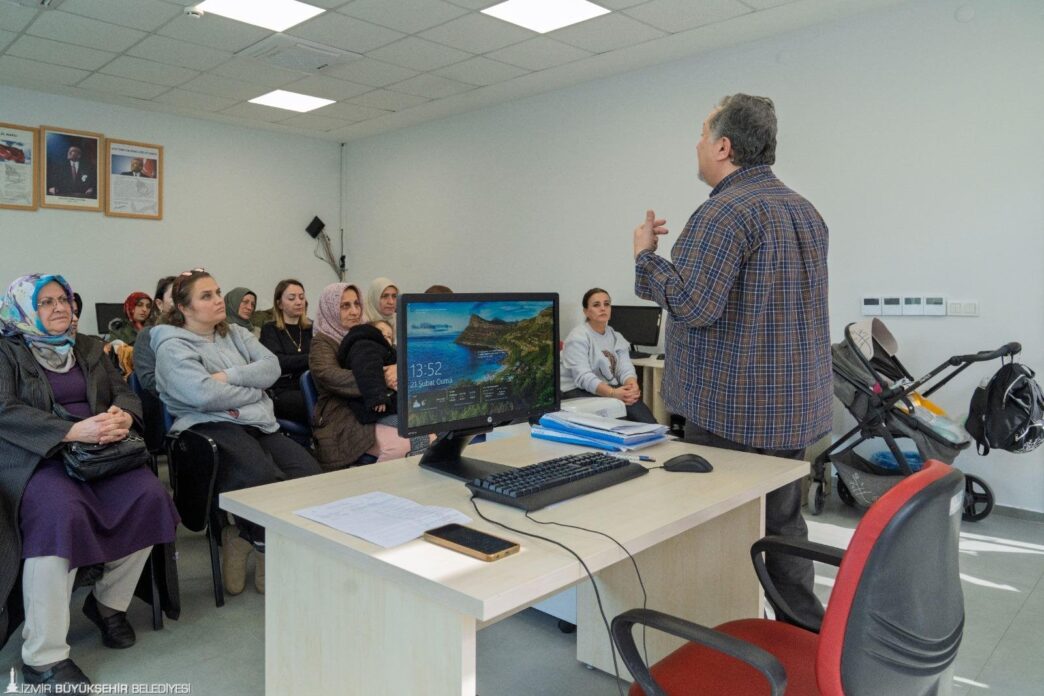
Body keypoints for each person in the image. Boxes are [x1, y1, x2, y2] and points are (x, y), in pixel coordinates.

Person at [633, 94, 832, 630]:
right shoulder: (806, 212)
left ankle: (722, 641)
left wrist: (646, 258)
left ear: (723, 146)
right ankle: (805, 635)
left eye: (702, 135)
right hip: (790, 410)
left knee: (719, 535)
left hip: (733, 413)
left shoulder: (723, 212)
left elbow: (694, 304)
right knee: (781, 529)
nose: (696, 144)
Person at [0, 274, 179, 688]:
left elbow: (125, 392)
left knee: (149, 496)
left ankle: (108, 604)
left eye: (63, 299)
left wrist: (123, 415)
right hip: (37, 458)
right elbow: (4, 409)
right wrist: (70, 431)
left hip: (99, 454)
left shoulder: (88, 347)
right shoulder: (7, 351)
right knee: (60, 515)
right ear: (24, 309)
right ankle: (43, 657)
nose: (60, 307)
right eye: (46, 302)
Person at [152, 270, 321, 595]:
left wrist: (228, 377)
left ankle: (243, 538)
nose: (218, 300)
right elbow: (202, 394)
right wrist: (254, 390)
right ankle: (261, 545)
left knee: (309, 474)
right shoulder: (171, 346)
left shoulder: (235, 333)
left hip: (256, 422)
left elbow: (271, 368)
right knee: (262, 477)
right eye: (207, 296)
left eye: (217, 292)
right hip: (207, 427)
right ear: (184, 308)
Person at [309, 283, 411, 469]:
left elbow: (393, 356)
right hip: (341, 415)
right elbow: (331, 376)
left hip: (375, 405)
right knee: (401, 445)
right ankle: (376, 485)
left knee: (427, 434)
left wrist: (397, 368)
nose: (355, 311)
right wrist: (381, 378)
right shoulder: (322, 343)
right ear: (330, 309)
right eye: (345, 306)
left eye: (357, 304)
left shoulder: (366, 333)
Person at [560, 288, 657, 423]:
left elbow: (625, 368)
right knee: (620, 413)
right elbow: (583, 377)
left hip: (604, 386)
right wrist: (612, 393)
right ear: (586, 311)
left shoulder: (615, 336)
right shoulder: (578, 337)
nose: (603, 308)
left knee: (638, 410)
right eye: (596, 305)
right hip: (574, 389)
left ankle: (657, 431)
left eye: (606, 304)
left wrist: (632, 385)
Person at [259, 280, 313, 424]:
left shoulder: (311, 329)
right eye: (292, 298)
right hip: (282, 390)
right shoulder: (270, 330)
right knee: (314, 403)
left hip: (311, 384)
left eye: (301, 297)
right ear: (280, 304)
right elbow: (278, 362)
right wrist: (312, 359)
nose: (298, 302)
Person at [335, 319, 397, 425]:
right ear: (370, 331)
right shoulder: (365, 346)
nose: (386, 337)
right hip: (373, 406)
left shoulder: (386, 351)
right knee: (407, 424)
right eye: (382, 332)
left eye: (389, 336)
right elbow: (368, 370)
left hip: (387, 403)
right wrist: (377, 397)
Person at [133, 276, 175, 397]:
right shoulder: (148, 335)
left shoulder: (202, 333)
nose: (182, 301)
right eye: (174, 296)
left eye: (185, 296)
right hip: (175, 402)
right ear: (159, 304)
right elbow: (149, 381)